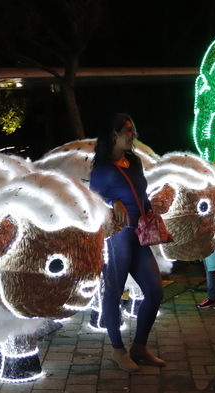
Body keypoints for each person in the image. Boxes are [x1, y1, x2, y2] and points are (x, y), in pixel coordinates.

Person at [89, 113, 166, 372]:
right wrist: (112, 202)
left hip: (140, 234)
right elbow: (92, 201)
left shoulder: (133, 161)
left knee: (155, 292)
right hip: (119, 235)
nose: (133, 135)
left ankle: (139, 347)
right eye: (128, 130)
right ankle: (117, 350)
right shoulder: (102, 169)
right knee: (113, 292)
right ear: (114, 134)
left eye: (133, 130)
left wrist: (150, 211)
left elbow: (141, 192)